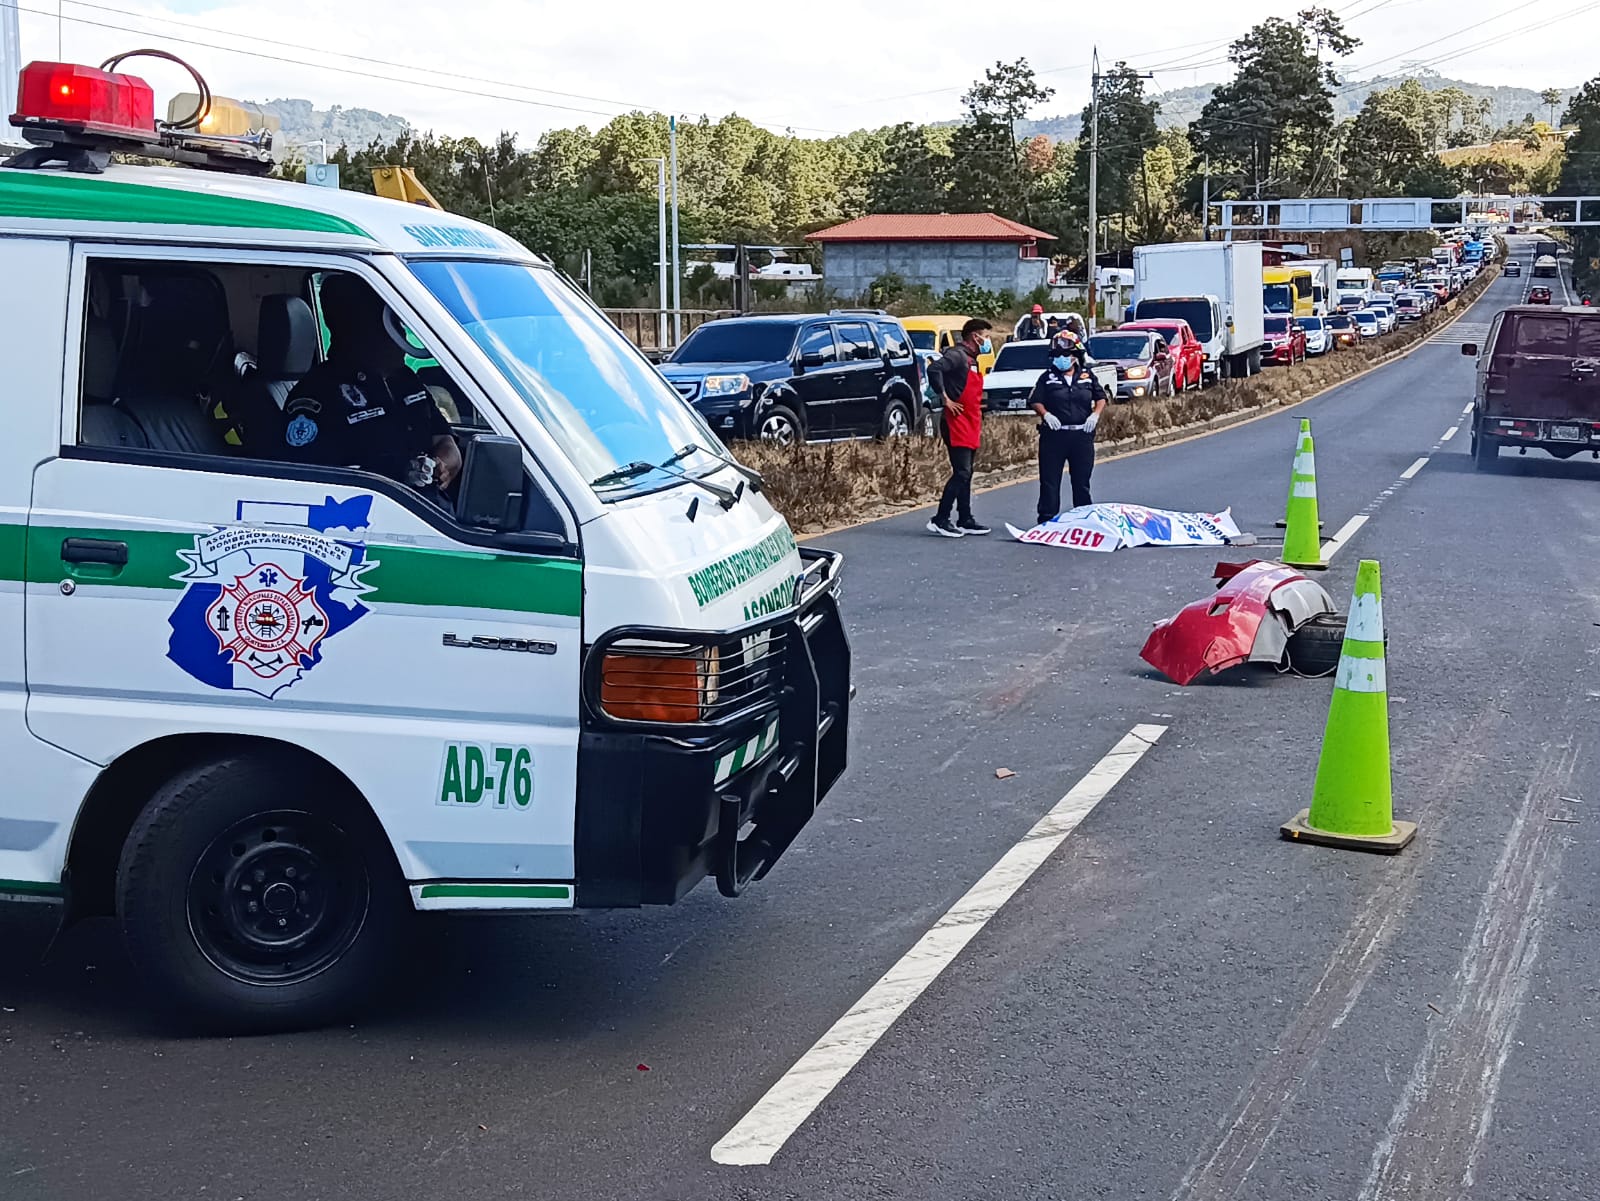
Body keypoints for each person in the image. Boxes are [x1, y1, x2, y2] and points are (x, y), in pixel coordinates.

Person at [279, 274, 462, 505]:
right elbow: (312, 483)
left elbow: (445, 440)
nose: (403, 334)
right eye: (393, 324)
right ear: (361, 329)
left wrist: (441, 464)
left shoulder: (406, 380)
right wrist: (399, 474)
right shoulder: (317, 395)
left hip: (432, 511)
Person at [1030, 331, 1108, 525]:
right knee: (1050, 481)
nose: (1061, 359)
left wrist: (1095, 414)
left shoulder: (1087, 376)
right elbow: (1035, 400)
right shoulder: (1047, 377)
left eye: (1065, 355)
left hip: (1081, 435)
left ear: (1075, 357)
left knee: (1081, 481)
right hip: (1055, 436)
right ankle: (1046, 520)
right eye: (1057, 356)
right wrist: (1046, 414)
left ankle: (1083, 518)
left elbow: (1101, 397)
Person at [926, 318, 992, 538]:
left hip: (971, 420)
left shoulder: (973, 359)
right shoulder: (957, 355)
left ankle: (965, 518)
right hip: (956, 421)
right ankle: (940, 518)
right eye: (986, 336)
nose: (988, 341)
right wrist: (944, 398)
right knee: (961, 472)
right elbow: (934, 369)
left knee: (968, 472)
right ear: (975, 336)